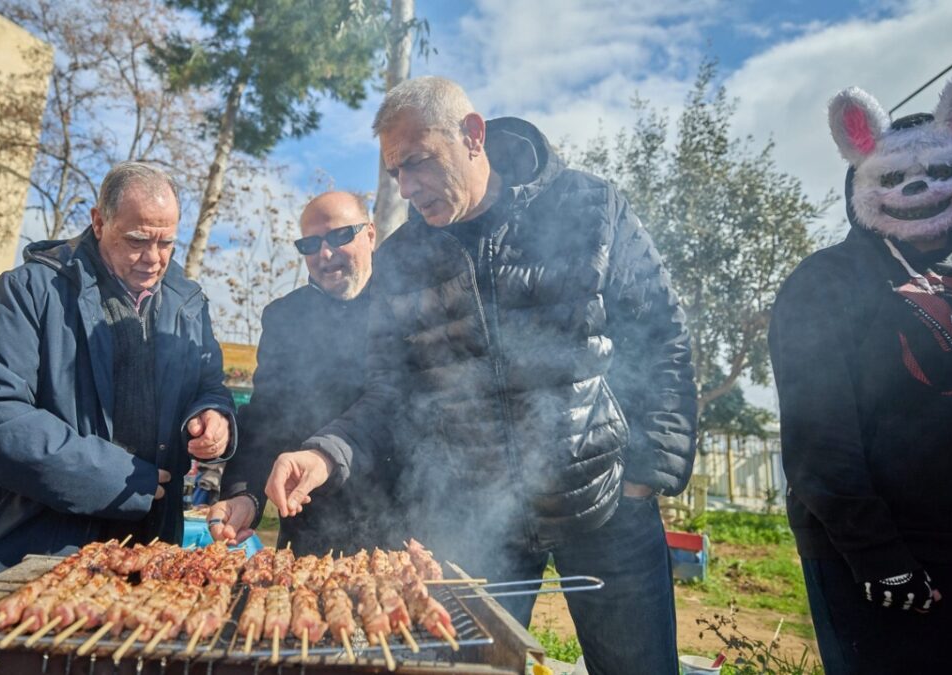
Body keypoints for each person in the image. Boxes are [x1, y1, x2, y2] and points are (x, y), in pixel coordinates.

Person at [265, 77, 697, 674]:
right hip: (476, 522)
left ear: (472, 136)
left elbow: (663, 341)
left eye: (417, 162)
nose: (408, 187)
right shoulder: (399, 261)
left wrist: (645, 478)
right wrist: (324, 454)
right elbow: (390, 394)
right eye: (395, 174)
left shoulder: (591, 207)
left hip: (605, 505)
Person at [0, 162, 236, 576]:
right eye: (137, 240)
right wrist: (120, 479)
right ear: (99, 222)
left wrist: (212, 414)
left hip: (149, 547)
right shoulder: (26, 292)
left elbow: (208, 384)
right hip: (36, 544)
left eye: (167, 243)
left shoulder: (186, 303)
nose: (153, 259)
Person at [769, 81, 952, 674]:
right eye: (897, 178)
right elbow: (820, 444)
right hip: (890, 557)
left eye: (938, 171)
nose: (919, 189)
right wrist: (882, 560)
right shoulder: (825, 283)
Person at [207, 192, 394, 555]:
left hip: (398, 524)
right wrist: (244, 494)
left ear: (370, 234)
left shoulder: (409, 300)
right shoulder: (284, 317)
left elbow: (397, 399)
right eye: (310, 244)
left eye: (341, 236)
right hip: (309, 524)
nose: (325, 254)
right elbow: (265, 418)